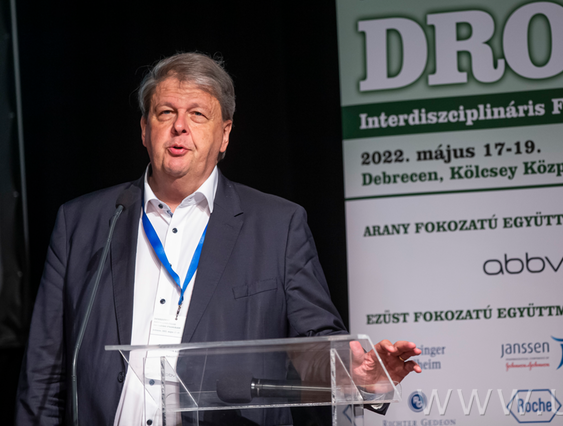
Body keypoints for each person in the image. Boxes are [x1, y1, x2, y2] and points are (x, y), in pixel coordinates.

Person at [16, 52, 421, 425]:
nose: (179, 126)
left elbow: (313, 344)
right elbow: (43, 376)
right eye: (166, 112)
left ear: (224, 134)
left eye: (197, 114)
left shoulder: (277, 226)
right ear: (144, 130)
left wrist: (355, 373)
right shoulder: (83, 222)